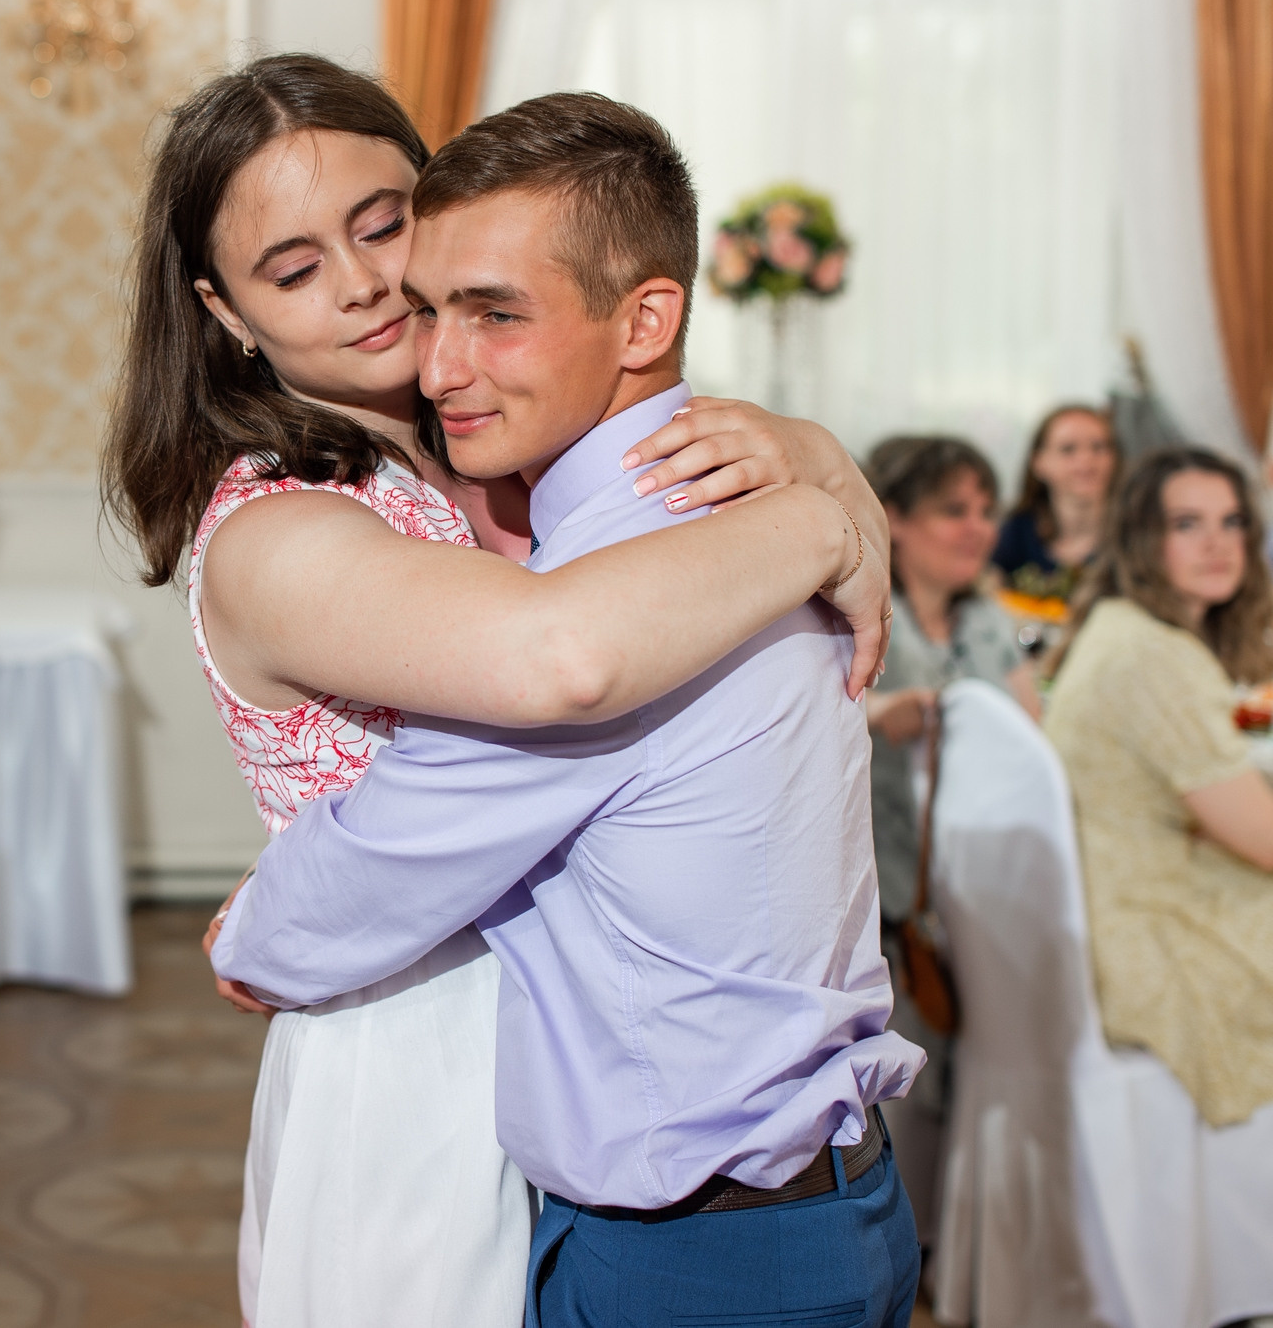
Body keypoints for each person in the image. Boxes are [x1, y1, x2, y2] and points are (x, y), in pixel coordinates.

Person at [208, 92, 922, 1327]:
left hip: (691, 1221)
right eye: (293, 265)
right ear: (226, 313)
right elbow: (551, 657)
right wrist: (819, 501)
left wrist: (248, 934)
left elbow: (540, 691)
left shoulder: (621, 555)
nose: (391, 311)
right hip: (519, 1094)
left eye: (383, 230)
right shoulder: (707, 507)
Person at [1045, 447, 1273, 1128]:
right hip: (1156, 934)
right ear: (1143, 539)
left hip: (1118, 905)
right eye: (1187, 524)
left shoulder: (1121, 626)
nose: (1217, 544)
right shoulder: (1154, 655)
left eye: (1232, 522)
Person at [858, 433, 1039, 1238]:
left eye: (986, 510)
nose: (978, 528)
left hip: (984, 898)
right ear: (894, 517)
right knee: (900, 1103)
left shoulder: (990, 620)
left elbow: (1034, 740)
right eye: (952, 510)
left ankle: (968, 1243)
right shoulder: (855, 608)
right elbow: (801, 714)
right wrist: (878, 712)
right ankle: (912, 1248)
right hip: (890, 905)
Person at [992, 403, 1118, 602]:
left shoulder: (1135, 537)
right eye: (1068, 449)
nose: (1086, 459)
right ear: (1038, 462)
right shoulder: (1014, 531)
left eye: (1098, 447)